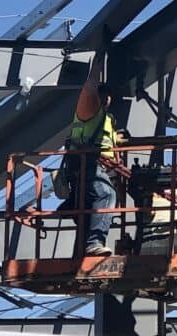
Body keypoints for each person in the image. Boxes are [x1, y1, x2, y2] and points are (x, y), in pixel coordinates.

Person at [67, 69, 118, 257]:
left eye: (108, 96)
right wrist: (96, 60)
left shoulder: (105, 119)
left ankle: (80, 252)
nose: (108, 99)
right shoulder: (88, 112)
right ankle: (94, 243)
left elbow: (107, 142)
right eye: (104, 96)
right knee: (106, 194)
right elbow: (88, 89)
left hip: (94, 166)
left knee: (88, 210)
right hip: (87, 164)